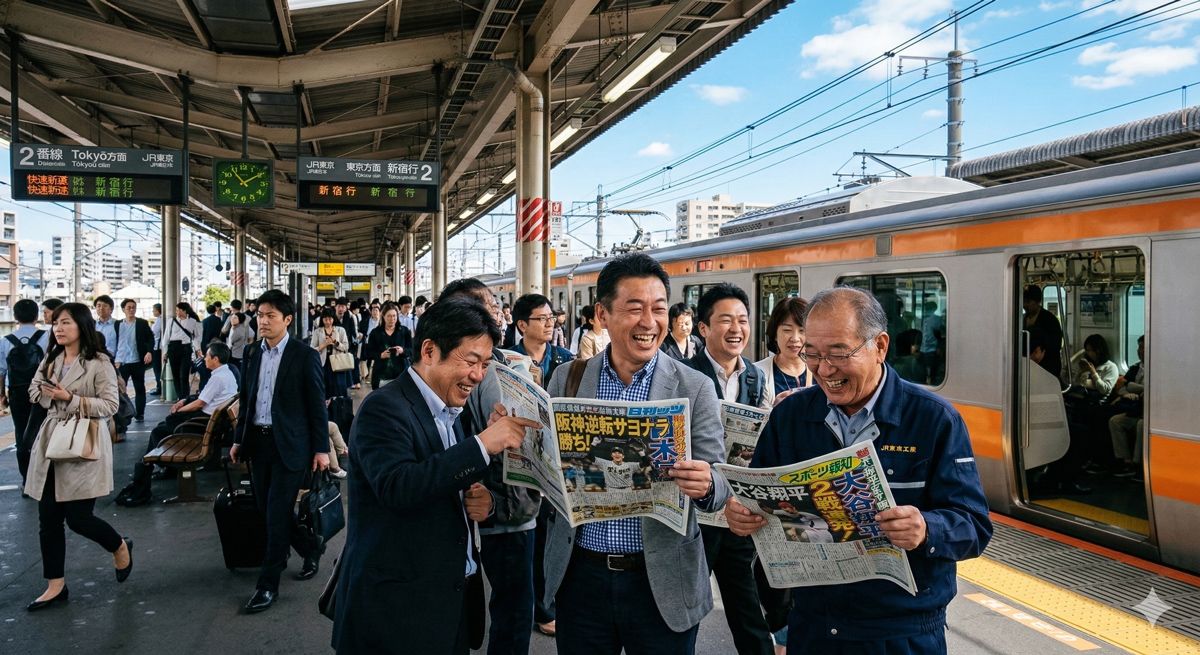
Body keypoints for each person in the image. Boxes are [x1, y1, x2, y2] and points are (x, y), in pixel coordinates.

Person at [725, 287, 992, 654]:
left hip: (901, 630)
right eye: (813, 355)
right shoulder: (791, 416)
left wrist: (926, 528)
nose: (824, 369)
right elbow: (756, 497)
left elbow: (974, 526)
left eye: (838, 353)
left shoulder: (934, 420)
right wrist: (741, 516)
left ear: (879, 346)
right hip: (813, 624)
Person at [538, 253, 732, 654]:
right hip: (582, 576)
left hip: (661, 580)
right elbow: (545, 466)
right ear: (602, 315)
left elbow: (721, 481)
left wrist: (707, 481)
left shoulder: (694, 387)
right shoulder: (568, 378)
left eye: (659, 309)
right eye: (634, 308)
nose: (650, 322)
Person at [330, 297, 538, 655]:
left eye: (485, 365)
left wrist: (480, 501)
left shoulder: (447, 411)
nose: (478, 375)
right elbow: (398, 487)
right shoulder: (384, 407)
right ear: (429, 351)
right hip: (397, 615)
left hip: (446, 608)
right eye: (471, 361)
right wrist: (482, 446)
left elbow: (440, 481)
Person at [439, 279, 553, 648]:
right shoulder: (490, 372)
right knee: (511, 612)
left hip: (489, 509)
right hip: (505, 512)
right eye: (489, 309)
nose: (498, 316)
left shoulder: (500, 363)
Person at [24, 302, 133, 611]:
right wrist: (48, 394)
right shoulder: (51, 358)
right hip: (51, 443)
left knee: (79, 519)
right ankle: (55, 585)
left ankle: (119, 545)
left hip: (82, 446)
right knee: (48, 520)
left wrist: (69, 398)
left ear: (82, 327)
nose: (58, 328)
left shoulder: (99, 362)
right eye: (56, 322)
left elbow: (110, 406)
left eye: (66, 323)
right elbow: (33, 392)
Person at [229, 289, 330, 613]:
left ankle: (267, 585)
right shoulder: (251, 354)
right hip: (258, 443)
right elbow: (248, 398)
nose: (263, 321)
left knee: (274, 515)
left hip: (291, 446)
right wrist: (237, 439)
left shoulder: (304, 355)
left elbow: (317, 407)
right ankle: (309, 546)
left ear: (287, 319)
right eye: (260, 315)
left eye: (270, 315)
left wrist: (320, 449)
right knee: (267, 509)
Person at [686, 283, 773, 655]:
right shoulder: (685, 376)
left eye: (742, 320)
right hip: (697, 514)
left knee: (746, 607)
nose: (736, 328)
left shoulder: (756, 378)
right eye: (725, 320)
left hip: (737, 512)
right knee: (686, 605)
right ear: (703, 328)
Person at [115, 341, 239, 507]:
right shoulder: (228, 372)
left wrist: (179, 410)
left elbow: (199, 403)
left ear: (215, 359)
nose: (205, 359)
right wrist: (183, 401)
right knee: (163, 427)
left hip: (199, 425)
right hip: (211, 423)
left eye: (207, 356)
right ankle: (163, 468)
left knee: (159, 432)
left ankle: (147, 468)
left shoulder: (217, 378)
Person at [1, 299, 51, 487]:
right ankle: (45, 476)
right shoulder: (46, 337)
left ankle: (27, 479)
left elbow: (1, 371)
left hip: (17, 392)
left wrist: (2, 395)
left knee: (21, 433)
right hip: (43, 391)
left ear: (15, 317)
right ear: (36, 316)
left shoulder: (6, 341)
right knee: (44, 431)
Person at [754, 296, 813, 408]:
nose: (795, 338)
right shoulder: (757, 373)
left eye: (802, 331)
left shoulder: (821, 370)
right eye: (787, 330)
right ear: (775, 333)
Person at [512, 293, 573, 388]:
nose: (550, 324)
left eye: (551, 318)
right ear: (522, 325)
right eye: (542, 318)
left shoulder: (566, 359)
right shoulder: (506, 360)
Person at [1109, 335, 1146, 480]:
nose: (1139, 351)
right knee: (1115, 421)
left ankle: (1138, 465)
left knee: (1142, 425)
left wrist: (1132, 388)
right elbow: (1123, 387)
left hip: (1147, 414)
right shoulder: (1136, 367)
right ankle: (1125, 460)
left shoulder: (1157, 369)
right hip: (1136, 408)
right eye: (1139, 347)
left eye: (1143, 347)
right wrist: (1127, 394)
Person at [113, 299, 154, 422]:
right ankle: (122, 414)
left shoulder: (142, 323)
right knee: (120, 389)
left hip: (137, 361)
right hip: (121, 362)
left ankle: (140, 413)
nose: (131, 310)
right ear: (123, 310)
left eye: (133, 307)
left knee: (139, 388)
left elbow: (150, 338)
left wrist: (149, 351)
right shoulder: (117, 324)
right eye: (129, 307)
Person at [363, 301, 412, 389]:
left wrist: (402, 351)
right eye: (389, 316)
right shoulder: (375, 333)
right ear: (383, 316)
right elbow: (368, 352)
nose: (392, 319)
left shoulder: (404, 331)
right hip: (381, 375)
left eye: (394, 316)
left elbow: (412, 350)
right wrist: (380, 355)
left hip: (401, 374)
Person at [162, 302, 202, 401]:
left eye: (180, 310)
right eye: (177, 310)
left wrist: (198, 350)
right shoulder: (171, 321)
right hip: (173, 348)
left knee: (183, 375)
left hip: (186, 349)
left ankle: (185, 397)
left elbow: (196, 337)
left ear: (185, 310)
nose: (178, 312)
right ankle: (180, 397)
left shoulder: (193, 321)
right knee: (175, 375)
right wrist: (165, 352)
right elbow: (166, 337)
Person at [1023, 285, 1063, 380]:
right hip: (1027, 365)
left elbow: (1055, 344)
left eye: (1028, 302)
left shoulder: (1050, 320)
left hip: (1047, 367)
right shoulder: (1022, 319)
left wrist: (1041, 353)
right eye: (1023, 302)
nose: (1025, 305)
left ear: (1038, 302)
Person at [311, 308, 351, 400]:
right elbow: (312, 349)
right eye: (325, 319)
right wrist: (324, 345)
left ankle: (338, 407)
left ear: (334, 318)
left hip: (338, 363)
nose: (328, 322)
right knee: (324, 388)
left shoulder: (341, 330)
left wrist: (336, 343)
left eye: (330, 319)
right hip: (323, 363)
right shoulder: (317, 332)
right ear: (322, 319)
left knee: (339, 388)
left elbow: (346, 347)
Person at [149, 303, 164, 395]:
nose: (153, 312)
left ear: (158, 311)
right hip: (160, 347)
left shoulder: (160, 320)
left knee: (157, 369)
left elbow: (154, 333)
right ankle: (160, 386)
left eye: (154, 310)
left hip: (157, 348)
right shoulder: (161, 319)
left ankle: (159, 387)